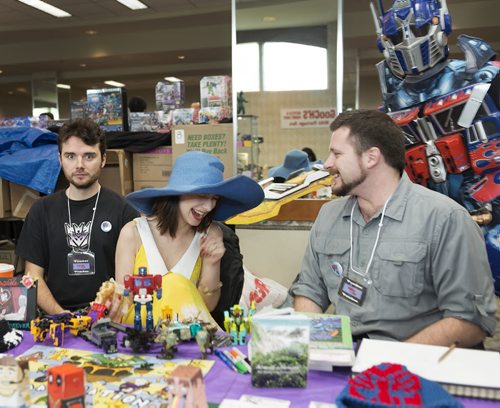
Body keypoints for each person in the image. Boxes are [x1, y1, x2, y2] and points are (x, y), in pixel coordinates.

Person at [289, 109, 497, 348]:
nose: (327, 164)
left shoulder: (444, 219)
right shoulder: (328, 216)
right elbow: (310, 290)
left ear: (371, 157)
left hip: (414, 366)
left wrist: (388, 361)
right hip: (344, 359)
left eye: (336, 154)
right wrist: (309, 346)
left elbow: (470, 321)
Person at [114, 151, 264, 328]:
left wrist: (211, 263)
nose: (208, 207)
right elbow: (124, 303)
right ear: (178, 193)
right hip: (140, 337)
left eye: (214, 198)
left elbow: (205, 307)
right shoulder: (133, 233)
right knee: (174, 283)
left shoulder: (210, 236)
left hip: (186, 342)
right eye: (202, 195)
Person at [16, 118, 138, 314]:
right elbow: (33, 276)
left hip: (110, 319)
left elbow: (130, 281)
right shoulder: (41, 210)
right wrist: (61, 315)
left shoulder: (124, 211)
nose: (79, 165)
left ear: (104, 159)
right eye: (71, 156)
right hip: (57, 319)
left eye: (89, 156)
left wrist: (106, 316)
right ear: (60, 159)